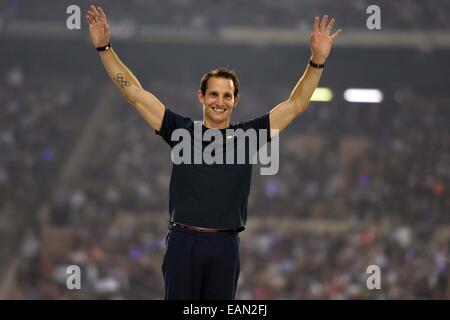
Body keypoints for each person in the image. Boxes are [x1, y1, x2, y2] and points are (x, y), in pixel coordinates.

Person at [86, 5, 342, 300]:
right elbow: (134, 93)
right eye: (214, 94)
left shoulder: (248, 136)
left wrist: (317, 61)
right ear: (202, 97)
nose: (220, 101)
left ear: (235, 100)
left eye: (227, 95)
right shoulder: (181, 132)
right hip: (183, 241)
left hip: (224, 245)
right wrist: (105, 48)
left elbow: (296, 105)